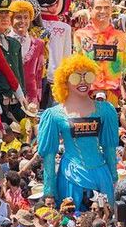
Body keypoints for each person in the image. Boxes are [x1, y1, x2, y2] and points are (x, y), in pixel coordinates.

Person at [38, 55, 118, 210]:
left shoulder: (106, 110)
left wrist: (114, 177)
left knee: (104, 220)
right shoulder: (54, 115)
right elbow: (49, 155)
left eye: (87, 76)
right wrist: (49, 191)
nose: (82, 81)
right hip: (70, 177)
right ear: (65, 81)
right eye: (75, 77)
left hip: (101, 175)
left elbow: (109, 148)